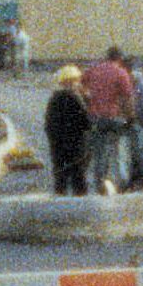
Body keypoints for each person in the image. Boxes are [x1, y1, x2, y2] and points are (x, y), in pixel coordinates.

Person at [81, 45, 136, 194]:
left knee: (99, 152)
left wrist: (88, 101)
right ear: (119, 58)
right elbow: (127, 98)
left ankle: (100, 184)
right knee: (118, 151)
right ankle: (122, 183)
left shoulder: (93, 70)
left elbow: (81, 86)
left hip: (95, 117)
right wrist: (130, 118)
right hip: (113, 117)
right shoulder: (121, 72)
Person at [43, 66, 90, 196]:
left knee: (60, 176)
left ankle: (59, 201)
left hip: (58, 144)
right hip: (76, 144)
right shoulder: (76, 98)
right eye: (77, 80)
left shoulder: (54, 98)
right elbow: (86, 120)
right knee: (78, 177)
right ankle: (80, 205)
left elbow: (48, 124)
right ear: (72, 81)